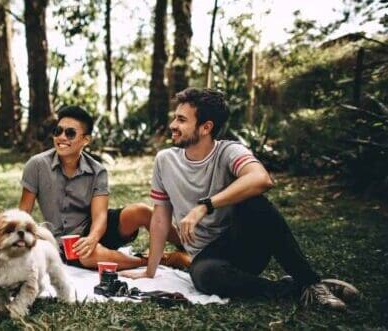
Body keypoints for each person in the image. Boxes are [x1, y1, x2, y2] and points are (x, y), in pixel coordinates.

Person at [121, 87, 359, 310]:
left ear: (206, 127)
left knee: (255, 202)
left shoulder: (229, 151)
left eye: (182, 120)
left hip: (244, 246)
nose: (173, 125)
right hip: (208, 259)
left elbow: (261, 179)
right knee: (203, 276)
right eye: (175, 117)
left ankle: (311, 282)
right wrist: (149, 271)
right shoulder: (165, 160)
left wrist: (205, 206)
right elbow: (161, 218)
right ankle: (294, 289)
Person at [18, 105, 189, 270]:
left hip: (95, 228)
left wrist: (92, 238)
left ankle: (188, 247)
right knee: (89, 255)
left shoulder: (97, 171)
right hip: (63, 242)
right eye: (58, 131)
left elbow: (100, 216)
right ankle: (160, 260)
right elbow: (24, 211)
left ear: (85, 140)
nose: (61, 137)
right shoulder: (37, 165)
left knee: (141, 211)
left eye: (70, 133)